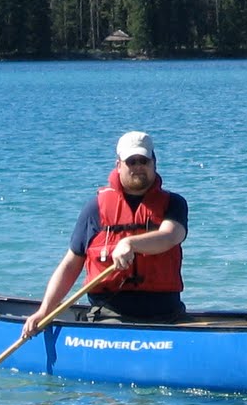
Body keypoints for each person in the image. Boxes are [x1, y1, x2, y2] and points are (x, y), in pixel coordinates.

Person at [21, 130, 188, 337]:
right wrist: (44, 311)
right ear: (118, 165)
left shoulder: (174, 203)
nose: (138, 167)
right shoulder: (95, 209)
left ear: (154, 163)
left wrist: (129, 243)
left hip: (165, 315)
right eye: (131, 162)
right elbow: (71, 265)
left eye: (143, 161)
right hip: (110, 315)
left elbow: (170, 236)